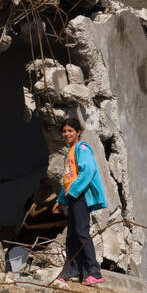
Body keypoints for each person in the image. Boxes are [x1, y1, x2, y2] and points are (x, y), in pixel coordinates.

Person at [53, 116, 107, 284]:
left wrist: (73, 193)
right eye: (64, 131)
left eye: (70, 131)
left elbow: (88, 171)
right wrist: (61, 200)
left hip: (81, 196)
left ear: (78, 132)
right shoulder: (69, 153)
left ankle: (94, 271)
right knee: (72, 236)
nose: (67, 134)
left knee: (82, 232)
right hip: (73, 197)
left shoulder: (82, 148)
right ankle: (72, 271)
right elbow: (68, 180)